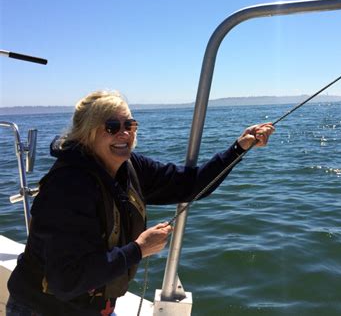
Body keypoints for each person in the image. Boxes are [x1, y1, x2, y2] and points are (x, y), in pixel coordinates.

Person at [7, 90, 274, 316]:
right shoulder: (68, 187)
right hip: (42, 308)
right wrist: (139, 249)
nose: (124, 134)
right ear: (86, 133)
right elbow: (67, 279)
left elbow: (191, 185)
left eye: (129, 125)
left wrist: (238, 149)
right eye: (112, 127)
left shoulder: (130, 167)